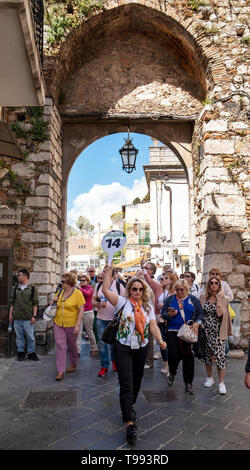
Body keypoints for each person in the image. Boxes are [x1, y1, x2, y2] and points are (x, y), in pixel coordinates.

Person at [102, 263, 167, 444]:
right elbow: (106, 291)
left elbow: (153, 325)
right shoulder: (122, 302)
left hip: (141, 348)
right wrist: (108, 272)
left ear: (143, 291)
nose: (137, 292)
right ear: (130, 290)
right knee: (126, 383)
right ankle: (129, 423)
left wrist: (161, 341)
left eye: (140, 289)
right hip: (122, 347)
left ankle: (129, 406)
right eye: (134, 289)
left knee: (137, 381)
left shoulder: (147, 307)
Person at [161, 279, 203, 394]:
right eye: (177, 289)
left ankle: (188, 383)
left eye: (182, 289)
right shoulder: (170, 299)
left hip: (188, 332)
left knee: (188, 357)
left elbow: (200, 313)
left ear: (186, 289)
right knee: (173, 355)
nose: (179, 292)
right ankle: (172, 372)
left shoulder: (193, 300)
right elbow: (163, 313)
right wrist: (169, 314)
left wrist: (197, 322)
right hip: (173, 331)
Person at [142, 262, 178, 375]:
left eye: (166, 278)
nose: (163, 279)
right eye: (163, 277)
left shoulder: (175, 291)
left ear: (171, 280)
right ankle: (165, 362)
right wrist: (143, 268)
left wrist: (167, 307)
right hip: (161, 319)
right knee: (162, 341)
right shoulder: (158, 287)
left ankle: (171, 364)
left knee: (172, 343)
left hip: (172, 320)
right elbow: (148, 279)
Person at [200, 277, 232, 395]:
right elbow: (200, 313)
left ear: (219, 285)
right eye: (211, 283)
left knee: (220, 357)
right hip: (206, 332)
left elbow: (219, 314)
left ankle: (221, 383)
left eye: (216, 283)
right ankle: (210, 378)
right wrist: (202, 326)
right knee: (208, 355)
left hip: (218, 332)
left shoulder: (223, 299)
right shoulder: (203, 297)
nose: (214, 285)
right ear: (209, 285)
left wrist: (218, 299)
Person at [91, 269, 125, 376]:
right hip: (101, 318)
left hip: (115, 320)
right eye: (104, 271)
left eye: (107, 271)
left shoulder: (119, 287)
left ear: (113, 274)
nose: (104, 273)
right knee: (102, 344)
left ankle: (114, 362)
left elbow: (124, 302)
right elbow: (92, 301)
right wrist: (99, 304)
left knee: (115, 343)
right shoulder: (98, 285)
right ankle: (104, 366)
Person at [52, 272, 85, 381]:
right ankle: (60, 370)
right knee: (61, 345)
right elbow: (53, 303)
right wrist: (53, 300)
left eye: (63, 281)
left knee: (72, 346)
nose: (61, 283)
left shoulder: (78, 294)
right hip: (58, 322)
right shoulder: (60, 291)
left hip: (71, 324)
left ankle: (73, 362)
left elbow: (81, 310)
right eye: (61, 281)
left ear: (70, 283)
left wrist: (78, 326)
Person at [9, 269, 39, 361]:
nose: (18, 277)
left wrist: (34, 316)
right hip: (17, 317)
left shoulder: (33, 288)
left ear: (25, 276)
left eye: (19, 275)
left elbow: (35, 303)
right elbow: (12, 303)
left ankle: (31, 353)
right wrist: (10, 315)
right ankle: (20, 352)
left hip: (28, 318)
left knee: (30, 337)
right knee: (19, 337)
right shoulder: (15, 288)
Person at [78, 274, 98, 357]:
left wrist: (79, 288)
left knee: (89, 331)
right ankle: (77, 351)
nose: (81, 282)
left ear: (87, 281)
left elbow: (87, 294)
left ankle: (94, 348)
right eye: (81, 280)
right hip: (79, 312)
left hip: (88, 312)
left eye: (83, 280)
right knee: (78, 333)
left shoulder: (90, 288)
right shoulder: (78, 289)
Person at [143, 261, 157, 369]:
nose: (144, 269)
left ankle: (149, 361)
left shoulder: (154, 283)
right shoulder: (143, 281)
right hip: (140, 313)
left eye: (146, 268)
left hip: (149, 313)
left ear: (151, 271)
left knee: (149, 338)